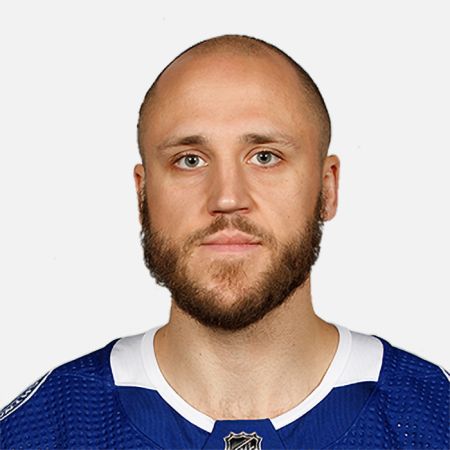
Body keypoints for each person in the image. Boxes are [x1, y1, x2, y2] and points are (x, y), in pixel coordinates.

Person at [0, 34, 448, 450]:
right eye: (190, 160)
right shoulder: (44, 429)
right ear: (142, 194)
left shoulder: (434, 418)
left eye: (265, 157)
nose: (227, 198)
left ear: (327, 188)